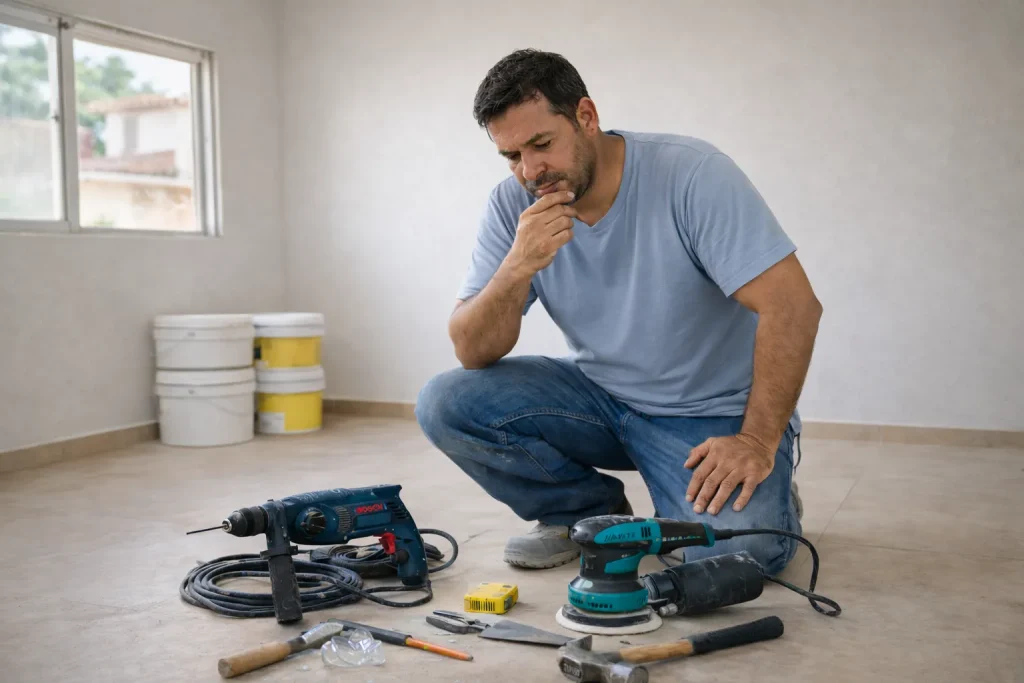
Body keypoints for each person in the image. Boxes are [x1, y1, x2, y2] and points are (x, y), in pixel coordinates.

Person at [415, 49, 822, 576]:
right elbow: (472, 349)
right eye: (511, 155)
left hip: (710, 411)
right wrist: (518, 266)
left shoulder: (692, 174)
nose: (530, 171)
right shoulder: (511, 205)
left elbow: (793, 306)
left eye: (542, 144)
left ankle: (769, 486)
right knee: (446, 401)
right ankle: (581, 514)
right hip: (603, 400)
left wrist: (755, 441)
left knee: (732, 555)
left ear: (586, 117)